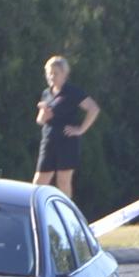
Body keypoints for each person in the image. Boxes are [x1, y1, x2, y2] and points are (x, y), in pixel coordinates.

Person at [33, 55, 100, 199]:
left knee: (63, 181)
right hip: (48, 141)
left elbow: (93, 109)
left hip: (67, 141)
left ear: (64, 74)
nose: (52, 77)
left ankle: (65, 216)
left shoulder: (72, 92)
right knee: (39, 182)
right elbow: (40, 120)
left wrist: (81, 129)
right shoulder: (46, 93)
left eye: (55, 73)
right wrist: (44, 113)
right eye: (49, 73)